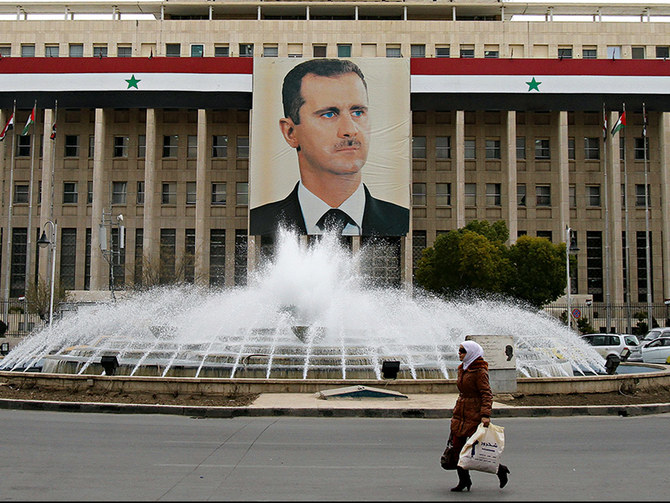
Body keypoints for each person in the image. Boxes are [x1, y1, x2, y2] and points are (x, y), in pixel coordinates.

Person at [249, 58, 409, 237]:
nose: (350, 130)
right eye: (329, 114)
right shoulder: (259, 221)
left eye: (357, 112)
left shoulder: (402, 221)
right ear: (290, 132)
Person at [448, 340, 510, 492]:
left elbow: (486, 394)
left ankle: (500, 470)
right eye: (459, 350)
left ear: (471, 353)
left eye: (462, 351)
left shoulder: (480, 371)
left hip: (474, 414)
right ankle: (464, 481)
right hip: (460, 413)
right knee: (457, 449)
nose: (460, 353)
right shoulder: (462, 368)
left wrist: (485, 415)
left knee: (479, 451)